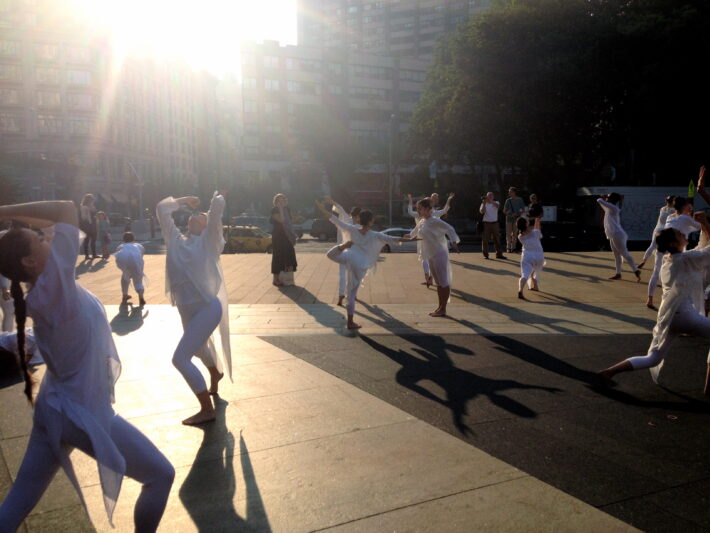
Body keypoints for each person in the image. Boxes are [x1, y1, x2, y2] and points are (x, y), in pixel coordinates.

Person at [0, 200, 174, 531]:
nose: (46, 236)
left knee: (17, 502)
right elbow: (66, 208)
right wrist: (4, 210)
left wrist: (15, 223)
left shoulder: (45, 288)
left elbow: (54, 222)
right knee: (160, 475)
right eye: (38, 238)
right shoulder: (55, 284)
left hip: (55, 407)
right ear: (30, 260)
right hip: (80, 413)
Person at [598, 225, 710, 396]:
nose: (683, 234)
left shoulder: (670, 259)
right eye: (680, 234)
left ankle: (609, 372)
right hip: (685, 317)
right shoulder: (685, 259)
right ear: (674, 243)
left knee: (653, 358)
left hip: (669, 317)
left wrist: (704, 228)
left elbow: (700, 250)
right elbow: (705, 252)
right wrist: (705, 225)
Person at [156, 192, 231, 425]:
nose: (194, 216)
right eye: (193, 214)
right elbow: (161, 209)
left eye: (201, 215)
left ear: (207, 224)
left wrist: (216, 199)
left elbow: (217, 210)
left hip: (208, 308)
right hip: (186, 308)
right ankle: (215, 373)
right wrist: (185, 199)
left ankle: (207, 409)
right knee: (198, 349)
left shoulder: (208, 243)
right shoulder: (176, 240)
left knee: (180, 358)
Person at [315, 200, 414, 329]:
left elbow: (333, 219)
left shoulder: (352, 229)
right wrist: (409, 238)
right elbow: (393, 239)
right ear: (370, 221)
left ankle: (342, 247)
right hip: (360, 265)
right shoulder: (375, 235)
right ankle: (350, 322)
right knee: (351, 294)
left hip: (348, 257)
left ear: (359, 219)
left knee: (330, 254)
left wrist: (322, 209)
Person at [408, 198, 461, 317]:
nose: (419, 211)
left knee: (443, 282)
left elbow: (450, 229)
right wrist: (403, 237)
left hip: (439, 254)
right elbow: (413, 233)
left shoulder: (434, 220)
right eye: (418, 209)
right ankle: (440, 307)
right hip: (430, 255)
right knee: (438, 283)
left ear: (427, 209)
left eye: (420, 209)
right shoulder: (422, 221)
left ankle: (443, 309)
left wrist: (453, 242)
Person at [645, 196, 698, 309]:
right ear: (685, 206)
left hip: (663, 247)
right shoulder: (685, 218)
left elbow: (685, 228)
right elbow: (698, 227)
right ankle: (675, 301)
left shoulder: (670, 216)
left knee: (656, 273)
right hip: (676, 250)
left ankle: (650, 299)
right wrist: (692, 215)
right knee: (678, 275)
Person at [407, 192, 454, 287]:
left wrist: (410, 200)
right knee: (431, 259)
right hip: (433, 240)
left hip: (423, 239)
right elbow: (445, 210)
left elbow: (410, 211)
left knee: (425, 258)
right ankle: (431, 278)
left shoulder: (419, 214)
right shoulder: (434, 213)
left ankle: (428, 278)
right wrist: (449, 199)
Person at [325, 196, 361, 307]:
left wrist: (333, 202)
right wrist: (333, 202)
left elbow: (340, 209)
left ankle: (343, 296)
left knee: (345, 275)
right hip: (346, 251)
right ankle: (347, 295)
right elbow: (340, 209)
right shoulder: (349, 220)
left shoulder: (349, 220)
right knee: (351, 274)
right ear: (355, 216)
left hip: (344, 251)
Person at [597, 193, 641, 281]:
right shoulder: (609, 208)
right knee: (617, 255)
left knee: (625, 254)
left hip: (618, 234)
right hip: (614, 234)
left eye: (609, 198)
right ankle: (618, 273)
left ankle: (636, 270)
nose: (607, 198)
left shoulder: (614, 208)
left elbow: (599, 200)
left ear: (612, 200)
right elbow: (601, 202)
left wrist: (603, 197)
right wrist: (605, 197)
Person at [638, 195, 675, 271]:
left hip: (657, 229)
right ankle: (669, 263)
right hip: (665, 230)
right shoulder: (673, 210)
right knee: (668, 247)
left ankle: (644, 261)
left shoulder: (662, 208)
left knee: (652, 245)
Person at [270, 193, 298, 287]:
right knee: (278, 257)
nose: (281, 202)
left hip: (287, 236)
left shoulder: (288, 209)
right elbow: (282, 220)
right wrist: (281, 209)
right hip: (278, 237)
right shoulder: (274, 210)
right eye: (279, 200)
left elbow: (290, 222)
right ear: (276, 202)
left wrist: (293, 234)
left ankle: (288, 279)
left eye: (283, 200)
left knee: (290, 255)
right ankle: (276, 279)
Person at [517, 216, 545, 299]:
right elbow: (538, 232)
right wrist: (537, 221)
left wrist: (536, 221)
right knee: (535, 270)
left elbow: (533, 230)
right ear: (526, 224)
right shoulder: (534, 232)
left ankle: (520, 290)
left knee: (525, 275)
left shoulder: (520, 236)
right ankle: (535, 286)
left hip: (527, 256)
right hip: (539, 256)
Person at [115, 232, 146, 306]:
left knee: (125, 279)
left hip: (126, 266)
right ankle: (141, 296)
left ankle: (125, 295)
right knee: (138, 281)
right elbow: (141, 255)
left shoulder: (120, 247)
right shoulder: (139, 246)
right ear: (134, 238)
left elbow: (117, 256)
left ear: (123, 239)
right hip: (137, 266)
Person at [479, 192, 506, 260]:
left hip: (495, 224)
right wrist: (485, 203)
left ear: (493, 196)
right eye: (488, 196)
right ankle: (486, 255)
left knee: (497, 239)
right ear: (486, 197)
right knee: (485, 240)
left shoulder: (496, 202)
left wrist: (490, 201)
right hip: (486, 224)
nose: (490, 197)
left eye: (491, 196)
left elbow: (498, 206)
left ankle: (499, 254)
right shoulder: (483, 204)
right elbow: (482, 212)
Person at [503, 187, 526, 253]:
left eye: (510, 191)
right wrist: (510, 214)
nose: (509, 193)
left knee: (515, 234)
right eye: (509, 191)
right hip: (508, 219)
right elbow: (504, 211)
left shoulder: (520, 199)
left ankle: (513, 247)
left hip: (517, 219)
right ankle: (508, 247)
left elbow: (523, 210)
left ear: (514, 192)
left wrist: (518, 213)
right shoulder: (508, 200)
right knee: (508, 234)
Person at [79, 193, 98, 260]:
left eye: (92, 199)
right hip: (87, 225)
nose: (91, 200)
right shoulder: (83, 207)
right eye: (90, 199)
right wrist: (87, 213)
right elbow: (83, 217)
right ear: (86, 199)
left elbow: (94, 214)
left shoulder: (92, 206)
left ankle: (94, 254)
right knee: (86, 240)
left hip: (93, 224)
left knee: (94, 240)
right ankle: (87, 255)